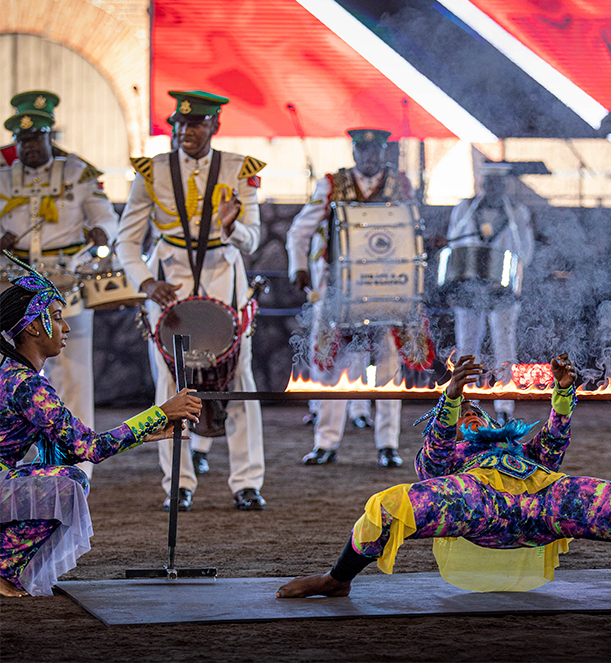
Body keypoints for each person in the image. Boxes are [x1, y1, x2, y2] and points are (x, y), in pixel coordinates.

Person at [274, 352, 611, 598]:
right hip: (478, 503)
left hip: (544, 501)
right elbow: (434, 459)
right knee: (386, 507)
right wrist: (451, 396)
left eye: (475, 410)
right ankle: (337, 580)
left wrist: (563, 392)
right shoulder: (445, 458)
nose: (471, 413)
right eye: (461, 413)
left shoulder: (519, 450)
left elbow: (553, 445)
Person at [0, 255, 202, 596]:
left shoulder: (13, 372)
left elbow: (72, 446)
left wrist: (147, 432)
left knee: (63, 475)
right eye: (57, 318)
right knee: (69, 483)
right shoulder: (28, 385)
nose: (66, 327)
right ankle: (3, 569)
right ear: (33, 327)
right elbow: (89, 448)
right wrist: (160, 412)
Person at [116, 90, 267, 511]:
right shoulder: (152, 171)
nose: (186, 131)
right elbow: (126, 240)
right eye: (180, 124)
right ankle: (178, 484)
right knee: (169, 384)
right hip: (169, 284)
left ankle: (247, 483)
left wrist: (232, 227)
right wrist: (147, 282)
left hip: (225, 280)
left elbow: (253, 239)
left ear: (214, 125)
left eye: (196, 124)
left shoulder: (239, 169)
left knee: (239, 380)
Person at [0, 95, 117, 481]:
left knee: (76, 372)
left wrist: (102, 232)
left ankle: (80, 463)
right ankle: (23, 457)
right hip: (15, 286)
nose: (30, 146)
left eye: (36, 137)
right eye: (23, 140)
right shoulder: (2, 176)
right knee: (18, 370)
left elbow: (107, 216)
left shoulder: (78, 173)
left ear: (50, 136)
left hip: (66, 284)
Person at [286, 128, 415, 468]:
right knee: (330, 363)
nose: (369, 157)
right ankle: (325, 442)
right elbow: (300, 230)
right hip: (338, 291)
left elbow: (412, 230)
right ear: (354, 152)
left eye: (375, 150)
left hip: (386, 287)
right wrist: (299, 268)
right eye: (363, 150)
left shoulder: (399, 184)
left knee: (388, 366)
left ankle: (388, 445)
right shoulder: (331, 184)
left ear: (384, 152)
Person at [445, 161, 534, 425]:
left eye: (499, 183)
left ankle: (505, 405)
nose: (494, 187)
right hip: (468, 287)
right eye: (490, 182)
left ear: (505, 184)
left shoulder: (518, 212)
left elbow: (526, 251)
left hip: (501, 289)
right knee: (466, 348)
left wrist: (508, 274)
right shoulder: (464, 209)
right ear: (483, 183)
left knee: (505, 346)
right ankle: (465, 403)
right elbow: (453, 243)